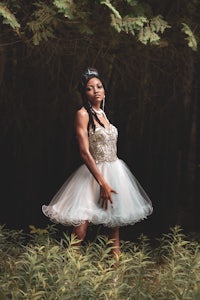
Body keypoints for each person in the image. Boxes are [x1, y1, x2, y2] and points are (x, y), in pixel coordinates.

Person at [42, 67, 153, 256]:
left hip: (116, 171)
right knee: (80, 228)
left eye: (99, 86)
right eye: (90, 88)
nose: (96, 91)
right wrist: (102, 182)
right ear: (84, 93)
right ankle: (69, 276)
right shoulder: (82, 114)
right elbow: (85, 152)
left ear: (104, 89)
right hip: (92, 174)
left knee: (113, 231)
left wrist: (109, 181)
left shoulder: (103, 114)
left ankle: (115, 281)